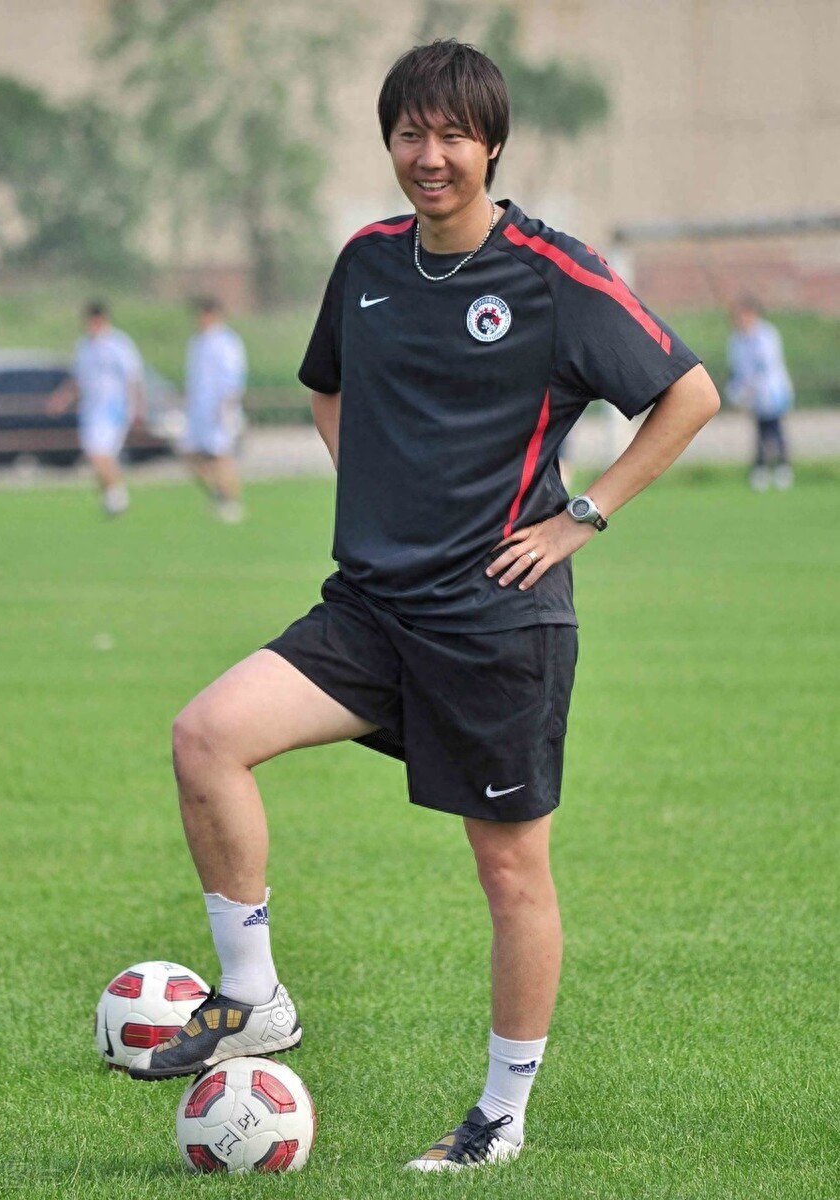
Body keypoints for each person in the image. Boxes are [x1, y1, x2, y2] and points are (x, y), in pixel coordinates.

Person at [128, 40, 721, 1171]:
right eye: (411, 134)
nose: (430, 156)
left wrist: (579, 517)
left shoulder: (551, 274)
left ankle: (500, 1115)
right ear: (389, 143)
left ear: (491, 145)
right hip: (366, 609)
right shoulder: (365, 260)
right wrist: (379, 490)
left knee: (509, 873)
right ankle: (253, 997)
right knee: (205, 736)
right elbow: (324, 385)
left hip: (496, 624)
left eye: (453, 135)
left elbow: (687, 394)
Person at [48, 301, 144, 515]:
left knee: (99, 453)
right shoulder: (84, 346)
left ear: (103, 320)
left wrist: (137, 407)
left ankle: (117, 496)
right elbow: (78, 379)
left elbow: (133, 377)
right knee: (98, 455)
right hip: (91, 409)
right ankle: (112, 495)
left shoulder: (118, 344)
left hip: (114, 407)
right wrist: (62, 398)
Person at [183, 296, 248, 522]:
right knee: (191, 456)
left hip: (220, 408)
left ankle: (232, 503)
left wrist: (226, 406)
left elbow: (233, 377)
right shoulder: (197, 342)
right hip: (198, 410)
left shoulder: (227, 342)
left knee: (222, 455)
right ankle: (220, 495)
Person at [726, 296, 794, 490]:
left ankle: (783, 468)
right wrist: (737, 389)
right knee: (760, 430)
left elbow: (765, 365)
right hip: (753, 395)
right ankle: (760, 468)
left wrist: (749, 386)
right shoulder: (736, 339)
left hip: (772, 391)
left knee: (775, 429)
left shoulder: (766, 335)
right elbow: (737, 368)